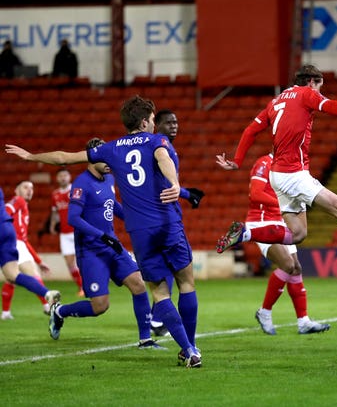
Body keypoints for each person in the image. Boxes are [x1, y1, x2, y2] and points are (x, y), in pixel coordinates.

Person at [5, 95, 201, 368]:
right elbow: (162, 156)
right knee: (186, 283)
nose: (155, 124)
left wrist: (30, 156)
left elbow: (64, 157)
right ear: (144, 121)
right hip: (165, 224)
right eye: (153, 120)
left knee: (157, 292)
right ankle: (191, 346)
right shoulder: (156, 141)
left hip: (139, 233)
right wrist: (175, 183)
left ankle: (185, 349)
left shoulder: (111, 150)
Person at [215, 64, 337, 269]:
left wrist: (237, 160)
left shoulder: (275, 101)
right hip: (292, 174)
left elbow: (251, 130)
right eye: (319, 86)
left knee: (297, 234)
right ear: (310, 82)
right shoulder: (306, 93)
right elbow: (330, 106)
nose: (319, 92)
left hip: (278, 175)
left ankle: (246, 232)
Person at [48, 138, 163, 350]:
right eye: (103, 156)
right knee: (100, 306)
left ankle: (145, 340)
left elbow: (112, 205)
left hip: (112, 245)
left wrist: (133, 217)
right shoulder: (81, 184)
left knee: (138, 284)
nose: (108, 160)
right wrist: (101, 236)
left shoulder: (109, 178)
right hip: (91, 251)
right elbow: (73, 218)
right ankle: (59, 311)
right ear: (92, 158)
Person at [241, 153, 329, 335]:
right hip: (262, 222)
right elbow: (256, 194)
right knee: (287, 265)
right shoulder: (264, 162)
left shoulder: (294, 166)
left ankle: (303, 321)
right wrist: (283, 204)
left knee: (296, 268)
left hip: (281, 223)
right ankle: (264, 312)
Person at [149, 108, 204, 337]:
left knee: (167, 272)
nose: (174, 126)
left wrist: (185, 193)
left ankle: (157, 319)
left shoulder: (167, 147)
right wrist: (185, 193)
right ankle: (159, 322)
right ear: (156, 125)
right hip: (163, 218)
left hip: (160, 217)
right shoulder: (158, 145)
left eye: (176, 122)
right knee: (183, 278)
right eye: (169, 122)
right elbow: (164, 185)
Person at [0, 187, 61, 318]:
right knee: (12, 275)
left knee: (29, 273)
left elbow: (8, 209)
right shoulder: (20, 205)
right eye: (26, 187)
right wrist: (39, 260)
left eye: (32, 188)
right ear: (16, 190)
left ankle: (46, 305)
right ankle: (47, 296)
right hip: (8, 230)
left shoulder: (18, 200)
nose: (30, 190)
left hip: (9, 234)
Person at [50, 168, 84, 296]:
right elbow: (55, 212)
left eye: (65, 175)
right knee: (70, 263)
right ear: (57, 178)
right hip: (64, 233)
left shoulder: (75, 191)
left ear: (69, 177)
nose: (63, 178)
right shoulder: (55, 194)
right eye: (60, 176)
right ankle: (82, 287)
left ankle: (90, 284)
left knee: (83, 260)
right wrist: (53, 225)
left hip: (77, 231)